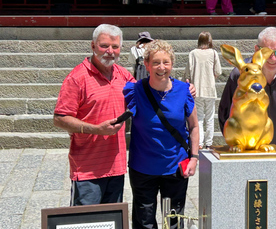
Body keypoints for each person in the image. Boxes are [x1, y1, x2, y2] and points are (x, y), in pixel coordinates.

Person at [53, 24, 135, 206]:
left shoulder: (123, 75)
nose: (110, 51)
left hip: (116, 166)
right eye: (104, 46)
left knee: (112, 220)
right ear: (92, 46)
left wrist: (182, 88)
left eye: (115, 47)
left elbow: (144, 94)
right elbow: (59, 118)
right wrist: (96, 129)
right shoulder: (77, 78)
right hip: (87, 169)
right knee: (86, 222)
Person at [124, 40, 199, 229]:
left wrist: (194, 158)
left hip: (175, 166)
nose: (161, 67)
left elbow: (194, 126)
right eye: (156, 62)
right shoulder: (135, 90)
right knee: (144, 221)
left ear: (172, 64)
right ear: (147, 65)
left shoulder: (184, 90)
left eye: (166, 62)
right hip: (143, 167)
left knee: (174, 220)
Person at [218, 27, 276, 157]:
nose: (272, 58)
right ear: (256, 50)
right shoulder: (241, 74)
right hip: (245, 154)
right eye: (267, 52)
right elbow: (225, 112)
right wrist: (235, 144)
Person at [183, 31, 222, 150]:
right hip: (210, 90)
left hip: (197, 89)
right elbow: (218, 71)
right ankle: (209, 143)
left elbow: (187, 72)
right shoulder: (214, 53)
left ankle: (199, 142)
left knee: (198, 118)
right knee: (209, 118)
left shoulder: (193, 53)